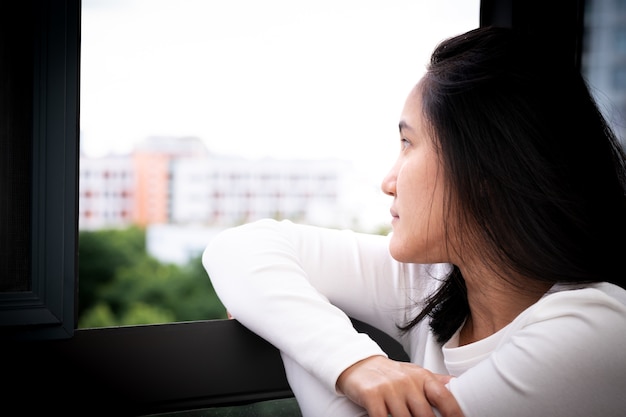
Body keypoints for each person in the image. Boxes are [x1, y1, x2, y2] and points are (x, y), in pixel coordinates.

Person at [202, 26, 626, 417]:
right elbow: (240, 248)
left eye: (408, 143)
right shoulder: (435, 285)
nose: (388, 182)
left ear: (484, 172)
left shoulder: (596, 329)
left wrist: (311, 345)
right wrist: (352, 361)